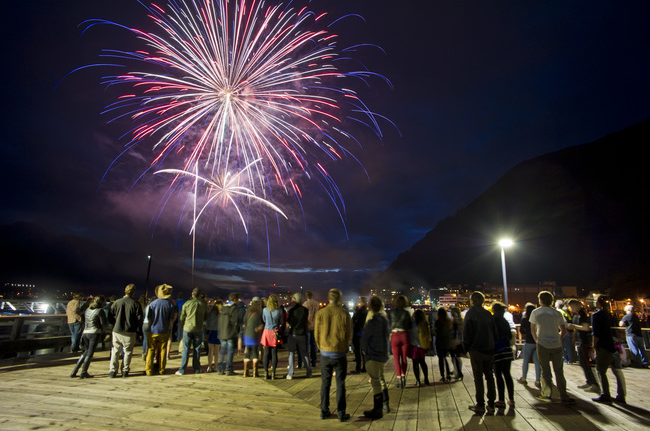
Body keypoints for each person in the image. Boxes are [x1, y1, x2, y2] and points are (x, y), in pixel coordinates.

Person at [529, 291, 575, 404]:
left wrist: (537, 341)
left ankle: (546, 394)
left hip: (542, 344)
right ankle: (563, 395)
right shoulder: (557, 313)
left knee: (545, 371)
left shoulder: (536, 312)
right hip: (556, 345)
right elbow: (563, 330)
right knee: (559, 371)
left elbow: (532, 329)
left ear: (540, 300)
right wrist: (558, 339)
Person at [315, 288, 353, 422]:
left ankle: (324, 411)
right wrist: (346, 347)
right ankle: (341, 413)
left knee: (325, 383)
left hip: (325, 352)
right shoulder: (345, 314)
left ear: (328, 298)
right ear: (339, 299)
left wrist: (321, 347)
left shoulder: (321, 313)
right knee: (340, 384)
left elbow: (317, 334)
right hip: (340, 352)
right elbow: (349, 333)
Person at [464, 291, 498, 415]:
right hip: (489, 349)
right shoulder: (488, 314)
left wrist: (466, 347)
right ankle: (491, 403)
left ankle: (480, 404)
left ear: (472, 300)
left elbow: (467, 332)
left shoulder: (470, 314)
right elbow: (495, 332)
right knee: (490, 376)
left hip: (476, 349)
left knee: (478, 377)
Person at [592, 296, 627, 404]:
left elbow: (596, 333)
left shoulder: (597, 316)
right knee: (618, 371)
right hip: (616, 346)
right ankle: (622, 396)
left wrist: (594, 345)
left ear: (598, 303)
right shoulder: (611, 315)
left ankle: (605, 395)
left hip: (604, 346)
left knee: (601, 371)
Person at [361, 296, 390, 420]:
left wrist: (365, 353)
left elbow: (365, 340)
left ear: (370, 307)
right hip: (382, 355)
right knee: (381, 379)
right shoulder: (385, 320)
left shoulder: (372, 322)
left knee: (375, 381)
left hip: (373, 355)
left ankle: (377, 410)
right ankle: (385, 404)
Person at [108, 283, 143, 378]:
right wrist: (136, 327)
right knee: (128, 352)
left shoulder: (116, 303)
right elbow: (140, 319)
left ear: (125, 291)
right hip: (130, 331)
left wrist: (114, 323)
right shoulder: (135, 304)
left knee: (115, 351)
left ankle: (112, 371)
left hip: (117, 330)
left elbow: (110, 315)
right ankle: (125, 370)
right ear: (133, 293)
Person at [70, 296, 107, 378]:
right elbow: (103, 324)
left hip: (86, 332)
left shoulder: (87, 309)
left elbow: (84, 320)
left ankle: (74, 371)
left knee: (85, 352)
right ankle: (83, 372)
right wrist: (103, 332)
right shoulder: (100, 311)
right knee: (90, 353)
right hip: (94, 333)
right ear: (102, 302)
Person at [567, 300, 599, 393]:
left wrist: (573, 326)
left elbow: (585, 327)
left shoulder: (583, 314)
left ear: (577, 305)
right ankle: (589, 382)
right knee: (583, 363)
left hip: (584, 342)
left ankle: (594, 384)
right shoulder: (578, 314)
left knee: (586, 363)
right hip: (581, 341)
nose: (571, 309)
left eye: (572, 306)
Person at [145, 284, 177, 376]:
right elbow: (171, 319)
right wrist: (169, 327)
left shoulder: (152, 304)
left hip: (153, 329)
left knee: (151, 350)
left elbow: (149, 318)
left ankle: (149, 370)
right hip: (164, 329)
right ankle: (161, 369)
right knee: (163, 350)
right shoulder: (170, 304)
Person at [176, 288, 209, 375]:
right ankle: (197, 369)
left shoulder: (187, 303)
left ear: (192, 294)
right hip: (198, 328)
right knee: (197, 349)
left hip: (187, 328)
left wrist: (183, 326)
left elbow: (182, 317)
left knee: (186, 349)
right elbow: (206, 317)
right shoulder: (203, 304)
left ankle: (182, 369)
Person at [491, 302, 515, 408]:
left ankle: (501, 400)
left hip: (497, 351)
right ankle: (511, 399)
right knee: (507, 375)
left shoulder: (492, 321)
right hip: (507, 350)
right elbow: (510, 336)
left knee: (498, 376)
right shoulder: (505, 321)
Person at [286, 293, 312, 379]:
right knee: (305, 353)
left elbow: (288, 322)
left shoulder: (291, 310)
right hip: (302, 333)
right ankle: (308, 372)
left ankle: (290, 373)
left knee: (291, 353)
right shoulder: (305, 310)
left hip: (293, 333)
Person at [216, 293, 242, 375]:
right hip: (230, 333)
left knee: (222, 351)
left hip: (222, 333)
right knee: (230, 352)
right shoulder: (234, 308)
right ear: (235, 300)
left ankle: (220, 369)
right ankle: (228, 369)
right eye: (238, 299)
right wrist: (236, 332)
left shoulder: (223, 308)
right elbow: (235, 322)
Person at [389, 295, 412, 389]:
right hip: (404, 335)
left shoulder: (391, 312)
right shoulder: (406, 313)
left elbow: (389, 324)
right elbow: (410, 325)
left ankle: (398, 379)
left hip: (395, 335)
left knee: (396, 359)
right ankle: (403, 377)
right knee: (404, 358)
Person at [518, 303, 541, 388]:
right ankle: (538, 380)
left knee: (525, 361)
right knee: (537, 362)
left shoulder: (525, 320)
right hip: (537, 342)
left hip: (528, 342)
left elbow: (521, 331)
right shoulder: (538, 319)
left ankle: (524, 378)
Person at [261, 294, 283, 379]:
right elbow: (281, 322)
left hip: (267, 332)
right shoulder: (279, 311)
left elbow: (264, 319)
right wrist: (276, 326)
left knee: (266, 353)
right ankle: (273, 372)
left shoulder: (265, 310)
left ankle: (265, 373)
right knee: (274, 353)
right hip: (275, 333)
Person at [242, 297, 263, 377]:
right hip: (255, 334)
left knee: (247, 353)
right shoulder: (259, 311)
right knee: (255, 353)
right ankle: (255, 373)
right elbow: (261, 322)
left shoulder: (248, 310)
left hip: (247, 333)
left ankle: (245, 372)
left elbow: (244, 321)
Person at [411, 309, 431, 386]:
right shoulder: (424, 324)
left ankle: (418, 380)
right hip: (422, 345)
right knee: (423, 362)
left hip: (414, 346)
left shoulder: (412, 324)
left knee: (415, 363)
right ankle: (426, 378)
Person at [434, 307, 452, 383]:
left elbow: (435, 332)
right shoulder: (448, 321)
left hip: (439, 341)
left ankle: (442, 375)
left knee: (440, 359)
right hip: (447, 342)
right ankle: (448, 374)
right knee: (446, 358)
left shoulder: (437, 322)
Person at [351, 298, 368, 374]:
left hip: (358, 333)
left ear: (360, 303)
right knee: (364, 352)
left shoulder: (358, 312)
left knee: (357, 352)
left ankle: (358, 368)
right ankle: (365, 367)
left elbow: (353, 321)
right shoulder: (367, 312)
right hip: (365, 334)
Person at [303, 291, 319, 367]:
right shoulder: (316, 304)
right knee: (314, 345)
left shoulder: (305, 304)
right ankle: (314, 361)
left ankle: (306, 362)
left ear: (306, 296)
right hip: (315, 326)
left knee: (306, 345)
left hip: (307, 326)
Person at [205, 299, 221, 373]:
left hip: (210, 331)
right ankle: (215, 366)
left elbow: (206, 321)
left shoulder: (210, 312)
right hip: (218, 332)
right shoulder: (221, 313)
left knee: (210, 350)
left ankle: (209, 366)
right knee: (217, 350)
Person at [449, 307, 464, 381]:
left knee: (454, 358)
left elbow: (455, 332)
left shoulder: (455, 321)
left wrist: (454, 342)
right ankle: (457, 371)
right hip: (459, 341)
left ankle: (458, 373)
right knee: (457, 357)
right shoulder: (461, 320)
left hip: (455, 341)